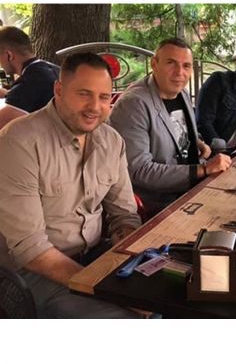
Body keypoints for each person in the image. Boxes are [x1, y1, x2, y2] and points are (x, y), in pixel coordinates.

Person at [0, 52, 142, 318]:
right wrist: (106, 288)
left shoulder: (111, 141)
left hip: (94, 255)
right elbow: (31, 250)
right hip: (31, 275)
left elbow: (124, 214)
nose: (94, 107)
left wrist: (128, 257)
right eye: (84, 94)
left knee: (171, 295)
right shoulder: (19, 142)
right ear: (59, 90)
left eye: (104, 97)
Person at [109, 38, 231, 218]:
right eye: (171, 63)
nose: (179, 72)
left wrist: (197, 142)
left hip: (191, 190)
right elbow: (139, 171)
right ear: (154, 64)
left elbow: (174, 129)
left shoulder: (181, 93)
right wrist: (203, 170)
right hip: (156, 206)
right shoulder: (133, 104)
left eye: (186, 66)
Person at [0, 26, 59, 129]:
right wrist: (8, 94)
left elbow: (2, 123)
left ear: (9, 55)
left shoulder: (29, 82)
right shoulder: (51, 69)